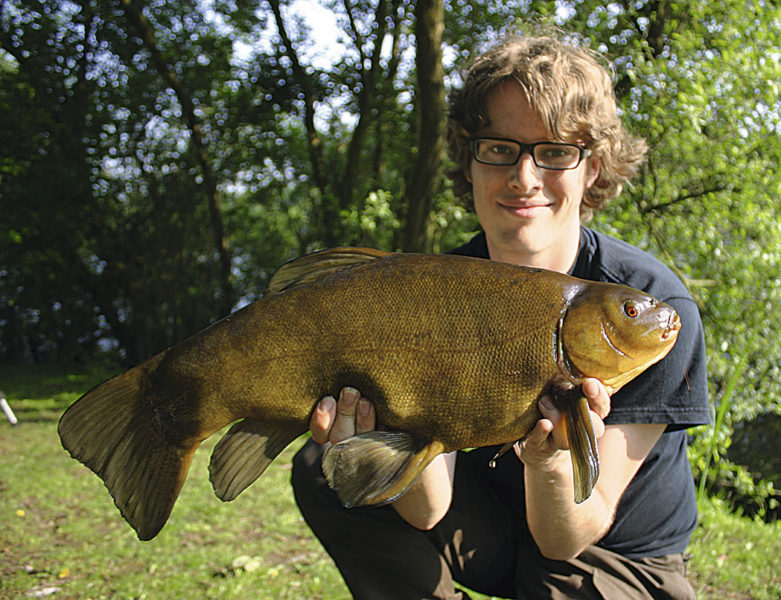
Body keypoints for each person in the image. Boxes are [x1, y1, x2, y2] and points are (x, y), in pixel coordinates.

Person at [291, 32, 710, 600]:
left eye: (555, 151)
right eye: (499, 148)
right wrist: (377, 438)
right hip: (486, 531)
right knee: (326, 464)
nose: (524, 177)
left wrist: (548, 461)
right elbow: (429, 507)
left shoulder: (644, 308)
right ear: (469, 159)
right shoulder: (438, 290)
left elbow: (570, 536)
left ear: (593, 168)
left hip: (610, 557)